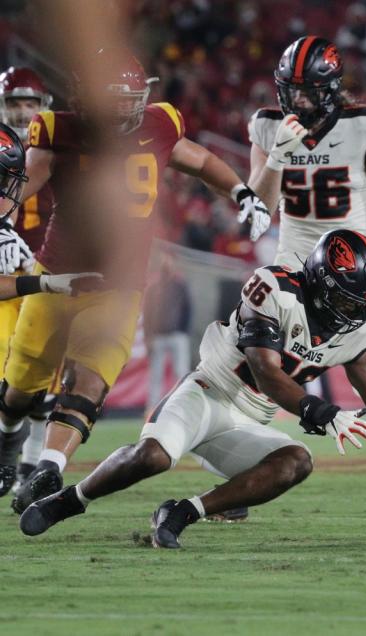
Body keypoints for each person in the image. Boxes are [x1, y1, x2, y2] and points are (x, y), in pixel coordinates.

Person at [18, 229, 366, 547]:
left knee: (296, 461)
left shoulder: (356, 328)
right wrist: (324, 413)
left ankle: (184, 513)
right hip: (207, 392)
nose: (353, 311)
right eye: (344, 298)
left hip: (247, 421)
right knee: (154, 456)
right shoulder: (272, 287)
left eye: (360, 302)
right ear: (320, 282)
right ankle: (70, 499)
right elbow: (266, 371)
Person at [5, 48, 270, 514]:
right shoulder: (59, 131)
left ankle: (48, 466)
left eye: (131, 100)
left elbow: (202, 161)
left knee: (90, 379)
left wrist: (240, 190)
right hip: (58, 275)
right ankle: (10, 437)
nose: (126, 109)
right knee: (21, 388)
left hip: (122, 284)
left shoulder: (159, 123)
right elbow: (17, 188)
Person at [247, 37, 366, 507]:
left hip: (353, 267)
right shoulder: (267, 126)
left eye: (306, 90)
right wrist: (279, 156)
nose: (296, 100)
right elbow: (257, 211)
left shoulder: (363, 124)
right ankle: (241, 465)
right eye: (290, 89)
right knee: (257, 366)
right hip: (293, 263)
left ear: (330, 88)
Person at [0, 67, 59, 494]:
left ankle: (29, 464)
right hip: (4, 272)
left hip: (46, 267)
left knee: (44, 380)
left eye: (30, 104)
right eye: (15, 103)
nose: (23, 112)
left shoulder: (59, 145)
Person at [143, 257, 192, 412]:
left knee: (181, 371)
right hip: (158, 335)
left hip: (177, 334)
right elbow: (147, 312)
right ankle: (152, 408)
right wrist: (148, 335)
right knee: (156, 374)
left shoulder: (180, 286)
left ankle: (184, 404)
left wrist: (184, 331)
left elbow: (188, 309)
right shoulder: (154, 287)